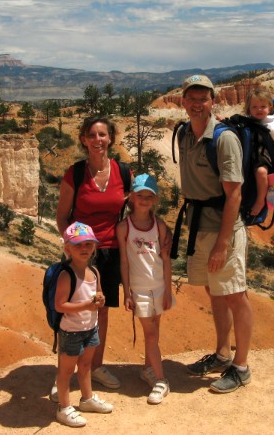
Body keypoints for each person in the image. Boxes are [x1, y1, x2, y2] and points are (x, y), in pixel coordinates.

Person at [177, 74, 253, 393]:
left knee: (235, 294)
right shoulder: (183, 134)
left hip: (224, 230)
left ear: (212, 101)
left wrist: (223, 243)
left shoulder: (224, 139)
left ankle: (242, 366)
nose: (197, 104)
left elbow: (234, 194)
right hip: (199, 227)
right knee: (215, 292)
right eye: (191, 99)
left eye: (202, 99)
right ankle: (222, 354)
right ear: (183, 102)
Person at [55, 116, 128, 391]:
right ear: (84, 140)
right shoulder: (74, 174)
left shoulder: (123, 172)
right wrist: (73, 248)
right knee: (72, 313)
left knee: (102, 311)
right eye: (92, 135)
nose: (98, 140)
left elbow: (135, 209)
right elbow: (62, 216)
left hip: (109, 250)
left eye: (102, 135)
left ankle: (95, 367)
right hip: (82, 252)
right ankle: (65, 372)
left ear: (110, 138)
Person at [116, 173, 173, 404]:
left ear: (155, 200)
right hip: (139, 289)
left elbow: (166, 260)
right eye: (141, 196)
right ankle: (161, 380)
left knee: (155, 331)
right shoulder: (124, 228)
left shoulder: (159, 226)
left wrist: (168, 291)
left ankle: (148, 369)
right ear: (132, 197)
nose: (145, 200)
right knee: (150, 334)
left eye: (149, 197)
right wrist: (127, 292)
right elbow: (124, 261)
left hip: (158, 287)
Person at [54, 222, 113, 427]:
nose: (84, 248)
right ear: (67, 248)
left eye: (88, 244)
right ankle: (64, 407)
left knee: (86, 365)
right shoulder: (66, 274)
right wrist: (87, 305)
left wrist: (100, 299)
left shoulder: (94, 272)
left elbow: (98, 294)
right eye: (78, 244)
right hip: (71, 331)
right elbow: (60, 305)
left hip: (90, 328)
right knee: (66, 371)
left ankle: (86, 399)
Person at [245, 88, 274, 217]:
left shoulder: (272, 128)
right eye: (254, 107)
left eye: (263, 106)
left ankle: (260, 201)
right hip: (250, 155)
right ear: (249, 109)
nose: (259, 110)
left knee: (261, 172)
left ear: (269, 108)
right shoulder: (248, 122)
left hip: (263, 157)